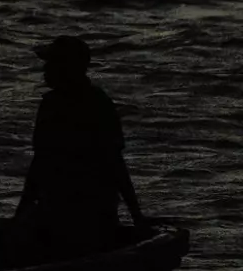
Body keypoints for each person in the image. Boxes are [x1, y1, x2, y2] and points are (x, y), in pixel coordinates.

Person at [15, 35, 145, 256]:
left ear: (68, 68)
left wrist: (136, 215)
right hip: (57, 208)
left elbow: (114, 162)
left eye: (52, 64)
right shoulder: (53, 104)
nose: (45, 70)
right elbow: (40, 164)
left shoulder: (95, 104)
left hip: (88, 213)